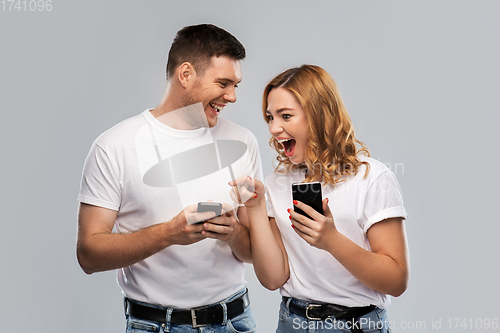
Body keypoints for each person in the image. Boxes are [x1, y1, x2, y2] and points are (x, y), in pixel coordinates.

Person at [77, 24, 262, 333]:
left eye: (236, 85)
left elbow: (256, 252)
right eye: (223, 83)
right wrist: (168, 233)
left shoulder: (243, 142)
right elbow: (88, 255)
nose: (231, 96)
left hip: (234, 322)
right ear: (186, 74)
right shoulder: (114, 147)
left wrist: (233, 233)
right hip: (153, 325)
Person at [230, 65, 409, 333]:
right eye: (270, 117)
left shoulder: (372, 178)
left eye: (286, 116)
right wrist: (255, 207)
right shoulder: (275, 184)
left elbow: (396, 281)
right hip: (292, 323)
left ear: (319, 116)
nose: (274, 128)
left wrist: (331, 240)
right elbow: (273, 278)